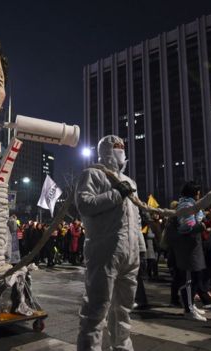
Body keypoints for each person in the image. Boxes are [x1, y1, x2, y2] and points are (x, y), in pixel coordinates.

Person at [74, 135, 141, 351]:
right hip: (104, 250)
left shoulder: (130, 182)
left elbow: (136, 217)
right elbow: (85, 204)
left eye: (123, 146)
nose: (121, 149)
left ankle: (122, 347)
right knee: (96, 310)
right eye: (116, 146)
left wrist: (140, 248)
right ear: (106, 150)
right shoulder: (92, 174)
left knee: (123, 310)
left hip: (130, 255)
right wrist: (116, 194)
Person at [168, 181, 210, 321]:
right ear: (193, 193)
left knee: (195, 278)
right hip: (188, 248)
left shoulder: (192, 205)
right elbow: (186, 226)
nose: (199, 194)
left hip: (193, 247)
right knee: (189, 279)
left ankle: (191, 305)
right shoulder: (186, 205)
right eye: (198, 192)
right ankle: (189, 309)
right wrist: (201, 226)